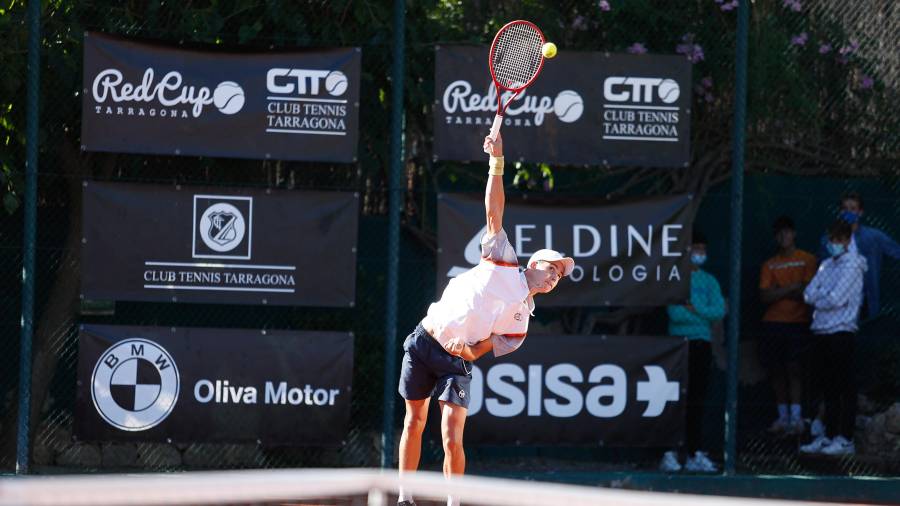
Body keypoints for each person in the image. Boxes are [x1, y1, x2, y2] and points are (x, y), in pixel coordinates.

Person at [396, 133, 575, 506]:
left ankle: (453, 503)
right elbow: (494, 209)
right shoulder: (502, 259)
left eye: (560, 274)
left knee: (451, 434)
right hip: (423, 341)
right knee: (414, 422)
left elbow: (481, 350)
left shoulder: (520, 323)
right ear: (533, 264)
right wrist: (497, 160)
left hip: (455, 361)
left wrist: (467, 350)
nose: (556, 274)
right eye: (552, 267)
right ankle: (404, 498)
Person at [660, 230, 726, 473]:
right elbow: (675, 314)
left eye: (702, 249)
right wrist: (701, 312)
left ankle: (694, 454)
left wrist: (693, 307)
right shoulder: (676, 278)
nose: (699, 253)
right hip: (677, 346)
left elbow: (718, 311)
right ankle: (669, 454)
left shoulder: (710, 281)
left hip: (702, 344)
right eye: (694, 248)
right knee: (674, 399)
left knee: (698, 400)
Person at [801, 219, 867, 456]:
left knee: (844, 387)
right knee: (827, 387)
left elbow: (836, 299)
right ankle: (828, 436)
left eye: (839, 240)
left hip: (842, 332)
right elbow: (808, 294)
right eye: (832, 240)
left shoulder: (853, 266)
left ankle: (845, 438)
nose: (834, 244)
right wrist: (822, 296)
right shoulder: (826, 265)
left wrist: (822, 296)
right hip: (821, 331)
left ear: (848, 241)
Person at [758, 216, 817, 435]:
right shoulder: (769, 264)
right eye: (779, 233)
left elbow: (807, 292)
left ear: (794, 234)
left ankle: (796, 418)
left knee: (795, 369)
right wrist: (792, 287)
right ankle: (782, 417)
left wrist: (779, 291)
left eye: (787, 232)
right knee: (776, 370)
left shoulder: (808, 260)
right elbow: (765, 296)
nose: (784, 236)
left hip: (799, 323)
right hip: (773, 323)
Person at [820, 191, 900, 321]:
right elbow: (823, 269)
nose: (848, 212)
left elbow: (896, 251)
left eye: (853, 209)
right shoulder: (827, 240)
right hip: (837, 299)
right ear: (840, 212)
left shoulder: (874, 237)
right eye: (845, 209)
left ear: (860, 212)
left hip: (866, 298)